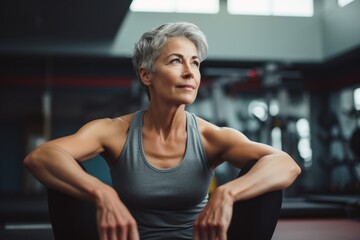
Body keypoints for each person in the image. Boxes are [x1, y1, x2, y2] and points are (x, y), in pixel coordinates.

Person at [24, 22, 301, 240]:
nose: (190, 72)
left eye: (195, 62)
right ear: (146, 75)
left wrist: (228, 194)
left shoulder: (210, 136)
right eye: (176, 61)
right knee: (63, 180)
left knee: (264, 177)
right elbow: (41, 157)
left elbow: (286, 164)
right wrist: (102, 193)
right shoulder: (115, 131)